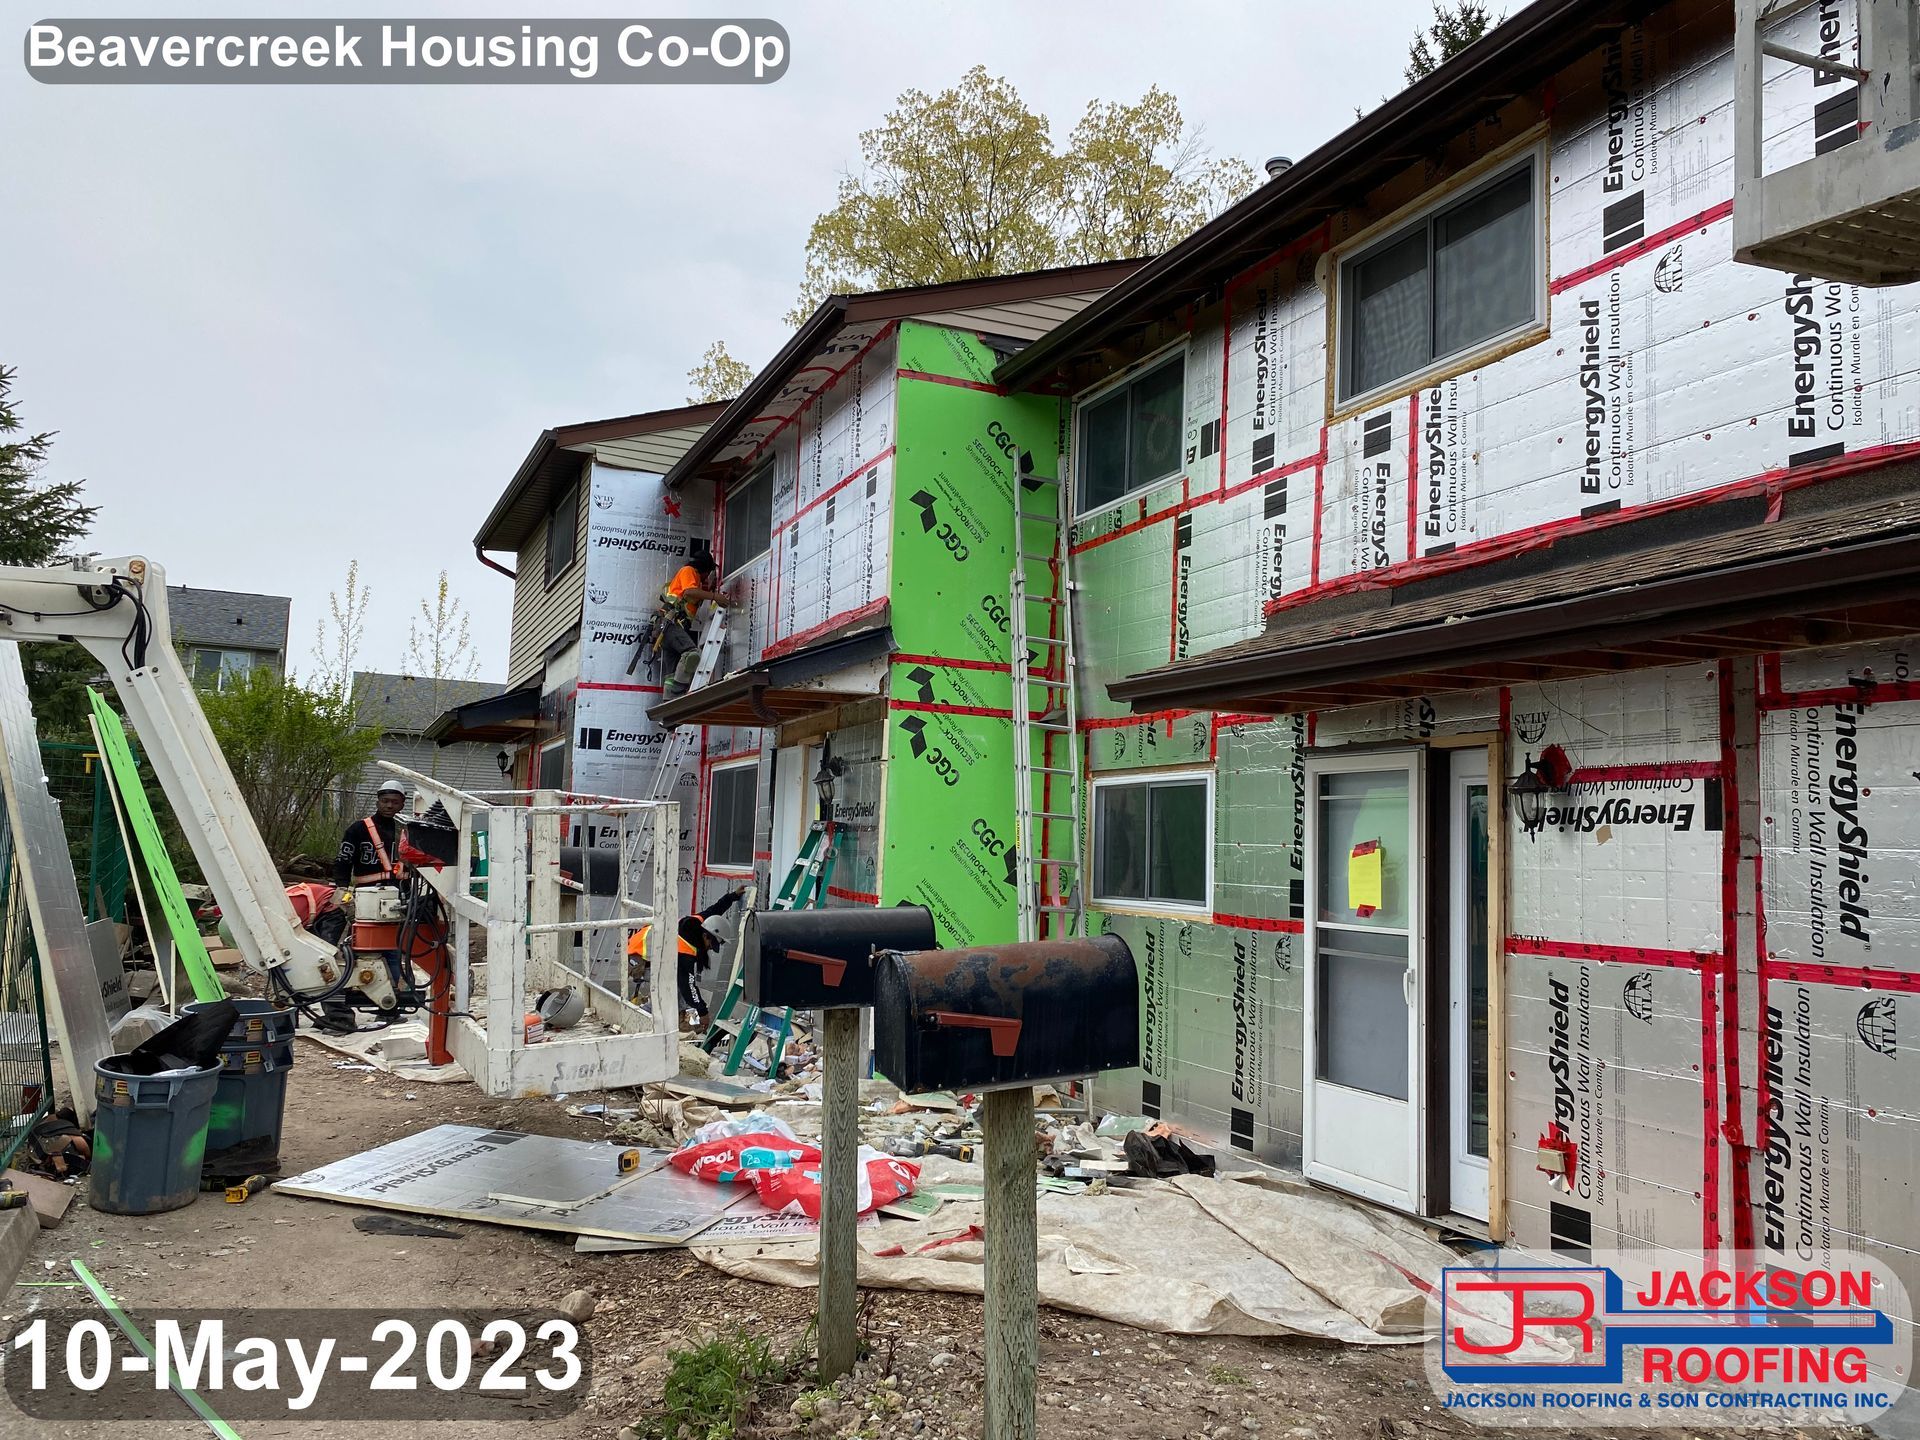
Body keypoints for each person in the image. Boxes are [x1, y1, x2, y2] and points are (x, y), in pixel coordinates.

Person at [629, 887, 747, 1026]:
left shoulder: (697, 922)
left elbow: (715, 910)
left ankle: (676, 1019)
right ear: (705, 935)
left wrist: (733, 896)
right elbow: (689, 986)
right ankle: (640, 1018)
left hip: (645, 956)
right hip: (637, 962)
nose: (710, 947)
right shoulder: (685, 951)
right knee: (673, 986)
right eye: (711, 943)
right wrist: (703, 1012)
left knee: (678, 983)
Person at [658, 550, 729, 695]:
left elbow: (693, 595)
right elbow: (689, 592)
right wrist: (715, 596)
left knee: (672, 672)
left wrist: (710, 588)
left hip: (670, 627)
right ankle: (678, 691)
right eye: (708, 573)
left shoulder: (694, 580)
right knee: (692, 654)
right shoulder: (689, 571)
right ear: (703, 569)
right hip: (672, 624)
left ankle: (669, 700)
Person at [333, 779, 409, 888]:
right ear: (377, 803)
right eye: (385, 801)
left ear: (402, 805)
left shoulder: (410, 831)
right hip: (366, 894)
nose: (389, 805)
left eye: (395, 802)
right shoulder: (358, 829)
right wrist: (342, 887)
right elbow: (343, 862)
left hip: (404, 893)